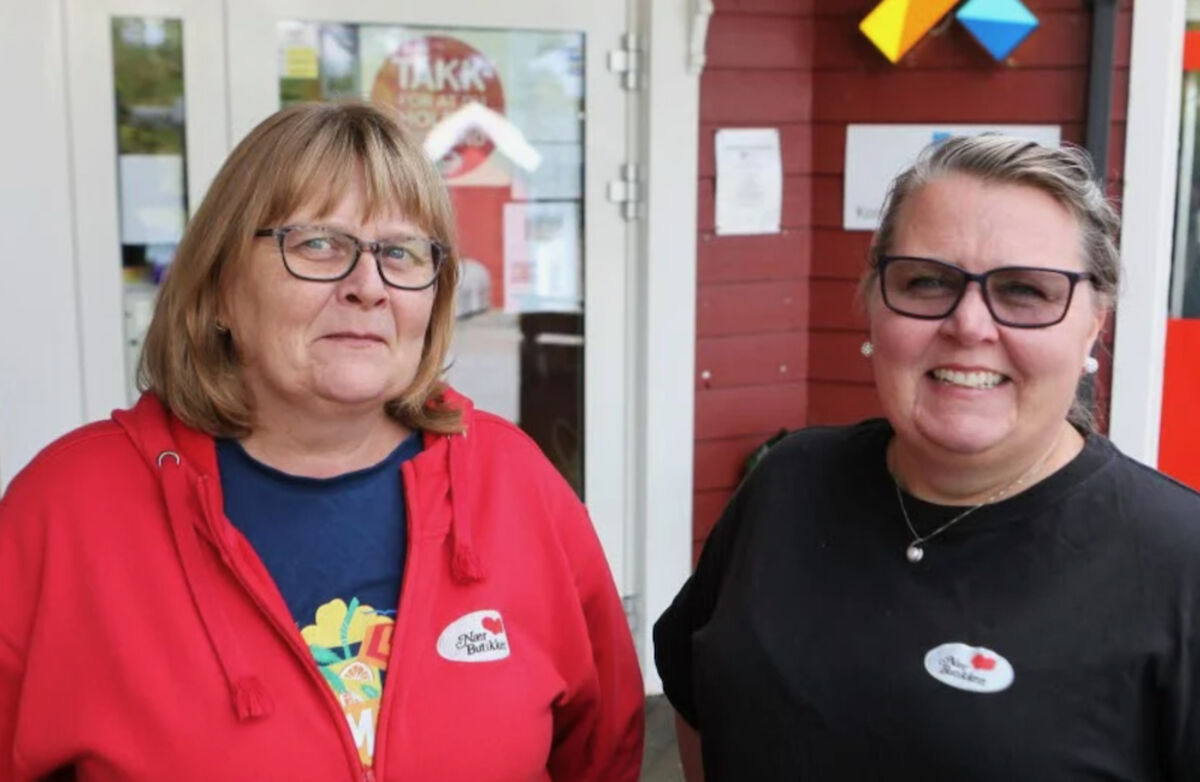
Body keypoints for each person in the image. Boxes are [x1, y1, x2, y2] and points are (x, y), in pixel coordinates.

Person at [0, 102, 643, 782]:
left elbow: (604, 750)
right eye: (317, 244)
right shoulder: (66, 509)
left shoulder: (514, 484)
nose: (367, 286)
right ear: (219, 288)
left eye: (399, 251)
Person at [654, 135, 1200, 780]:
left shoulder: (1178, 562)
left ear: (1094, 323)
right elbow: (695, 702)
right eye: (926, 281)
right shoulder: (788, 483)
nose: (969, 325)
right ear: (872, 302)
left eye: (1025, 290)